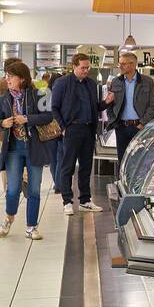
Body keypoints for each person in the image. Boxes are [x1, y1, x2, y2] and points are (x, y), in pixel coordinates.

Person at [0, 61, 53, 240]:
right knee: (13, 189)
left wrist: (27, 118)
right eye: (6, 76)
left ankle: (31, 226)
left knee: (34, 189)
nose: (7, 79)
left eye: (11, 76)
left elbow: (48, 116)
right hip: (13, 149)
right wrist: (3, 123)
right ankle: (9, 217)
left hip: (34, 147)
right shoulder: (2, 99)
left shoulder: (38, 94)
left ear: (22, 79)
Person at [50, 53, 103, 215]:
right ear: (74, 66)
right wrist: (63, 128)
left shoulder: (92, 84)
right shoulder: (62, 83)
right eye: (83, 68)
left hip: (88, 129)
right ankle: (67, 201)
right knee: (68, 166)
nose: (86, 71)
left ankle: (85, 200)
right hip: (71, 129)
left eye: (88, 68)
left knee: (86, 167)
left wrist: (107, 102)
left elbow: (95, 107)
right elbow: (54, 108)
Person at [104, 51, 154, 165]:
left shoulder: (147, 81)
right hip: (121, 128)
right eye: (120, 63)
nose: (120, 66)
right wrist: (114, 121)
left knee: (138, 162)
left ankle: (136, 184)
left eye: (123, 64)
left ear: (133, 65)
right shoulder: (116, 81)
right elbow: (109, 104)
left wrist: (142, 123)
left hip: (139, 127)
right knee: (122, 161)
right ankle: (122, 182)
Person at [43, 70, 66, 195]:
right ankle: (59, 184)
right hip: (61, 128)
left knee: (53, 159)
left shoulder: (44, 95)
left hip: (49, 130)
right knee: (61, 156)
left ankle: (57, 183)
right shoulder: (63, 94)